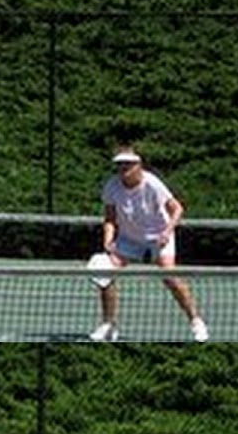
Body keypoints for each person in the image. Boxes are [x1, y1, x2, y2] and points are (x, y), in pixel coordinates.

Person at [89, 146, 208, 343]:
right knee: (104, 271)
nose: (123, 168)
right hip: (129, 239)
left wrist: (167, 231)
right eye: (119, 164)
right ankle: (108, 325)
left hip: (158, 237)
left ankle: (196, 321)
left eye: (128, 163)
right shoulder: (112, 185)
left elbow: (177, 209)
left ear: (139, 165)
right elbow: (109, 218)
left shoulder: (152, 184)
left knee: (169, 276)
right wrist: (108, 240)